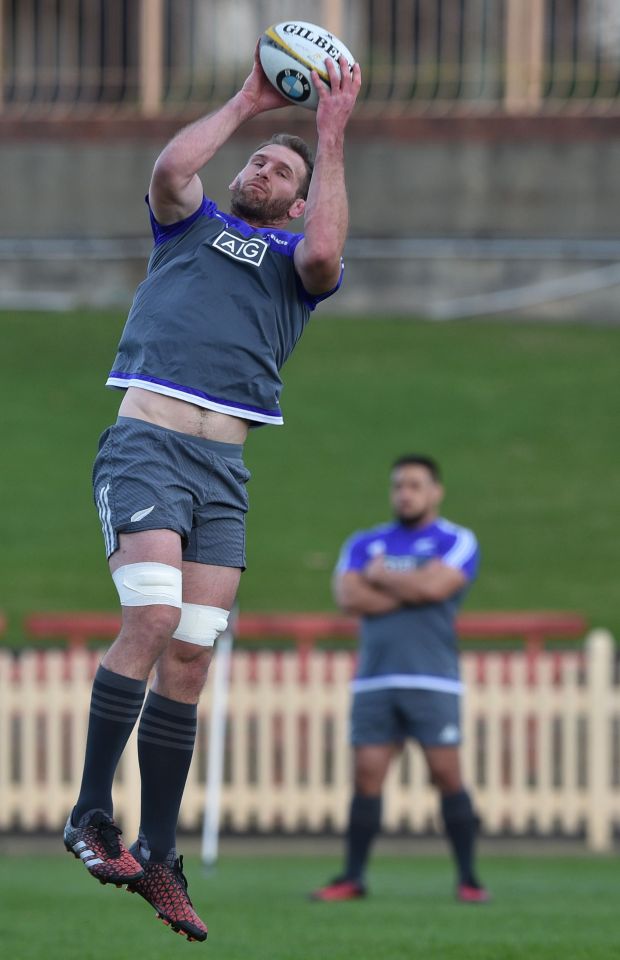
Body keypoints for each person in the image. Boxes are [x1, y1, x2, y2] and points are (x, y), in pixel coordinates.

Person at [63, 43, 361, 942]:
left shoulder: (295, 265)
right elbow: (170, 169)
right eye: (259, 158)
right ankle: (87, 814)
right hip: (148, 446)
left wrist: (329, 136)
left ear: (298, 199)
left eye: (282, 168)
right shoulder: (187, 226)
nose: (263, 166)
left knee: (192, 653)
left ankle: (157, 854)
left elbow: (327, 253)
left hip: (224, 472)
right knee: (151, 621)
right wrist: (248, 101)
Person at [311, 454, 489, 904]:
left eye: (414, 485)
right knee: (366, 776)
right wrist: (412, 588)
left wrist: (384, 578)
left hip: (433, 679)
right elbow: (348, 596)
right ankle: (353, 877)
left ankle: (469, 879)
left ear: (435, 492)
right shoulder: (365, 541)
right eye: (398, 486)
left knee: (447, 775)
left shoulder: (457, 539)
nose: (404, 493)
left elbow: (437, 588)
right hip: (375, 680)